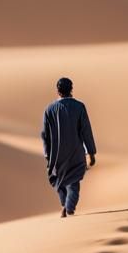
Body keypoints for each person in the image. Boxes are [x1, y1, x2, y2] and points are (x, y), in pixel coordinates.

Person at [41, 77, 96, 218]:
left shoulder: (49, 110)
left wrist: (47, 154)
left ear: (57, 90)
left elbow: (45, 136)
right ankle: (69, 207)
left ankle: (65, 206)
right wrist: (91, 152)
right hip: (75, 153)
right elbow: (86, 130)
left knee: (59, 181)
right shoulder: (79, 107)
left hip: (57, 155)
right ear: (71, 89)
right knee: (73, 182)